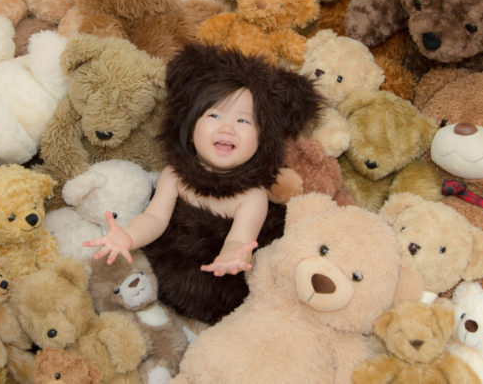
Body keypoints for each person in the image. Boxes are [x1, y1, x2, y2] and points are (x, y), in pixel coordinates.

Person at [85, 43, 322, 324]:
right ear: (190, 126)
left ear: (263, 140)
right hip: (164, 282)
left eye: (243, 120)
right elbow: (154, 219)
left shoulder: (252, 196)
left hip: (219, 298)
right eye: (214, 115)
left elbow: (239, 239)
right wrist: (128, 236)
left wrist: (232, 256)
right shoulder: (174, 176)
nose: (227, 128)